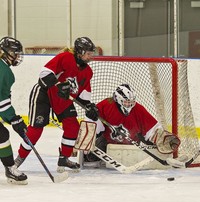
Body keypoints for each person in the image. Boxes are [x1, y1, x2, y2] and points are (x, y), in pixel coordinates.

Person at [14, 37, 99, 172]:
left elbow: (83, 96)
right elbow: (44, 74)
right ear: (80, 52)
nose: (91, 56)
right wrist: (58, 85)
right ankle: (19, 159)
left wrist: (89, 106)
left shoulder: (88, 72)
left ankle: (63, 159)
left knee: (72, 127)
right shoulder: (65, 57)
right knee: (36, 130)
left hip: (62, 99)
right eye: (89, 53)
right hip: (44, 94)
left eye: (91, 53)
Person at [83, 84, 180, 166]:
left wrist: (162, 137)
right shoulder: (106, 105)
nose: (130, 104)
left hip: (130, 148)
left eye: (132, 102)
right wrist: (90, 117)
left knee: (150, 146)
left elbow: (152, 129)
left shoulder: (138, 109)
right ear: (118, 99)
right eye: (127, 102)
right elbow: (92, 126)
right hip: (108, 145)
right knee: (90, 158)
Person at [0, 36, 28, 184]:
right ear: (5, 52)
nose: (17, 56)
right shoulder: (4, 71)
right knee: (1, 135)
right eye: (15, 52)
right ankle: (10, 168)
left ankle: (10, 167)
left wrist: (12, 118)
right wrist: (13, 118)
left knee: (1, 134)